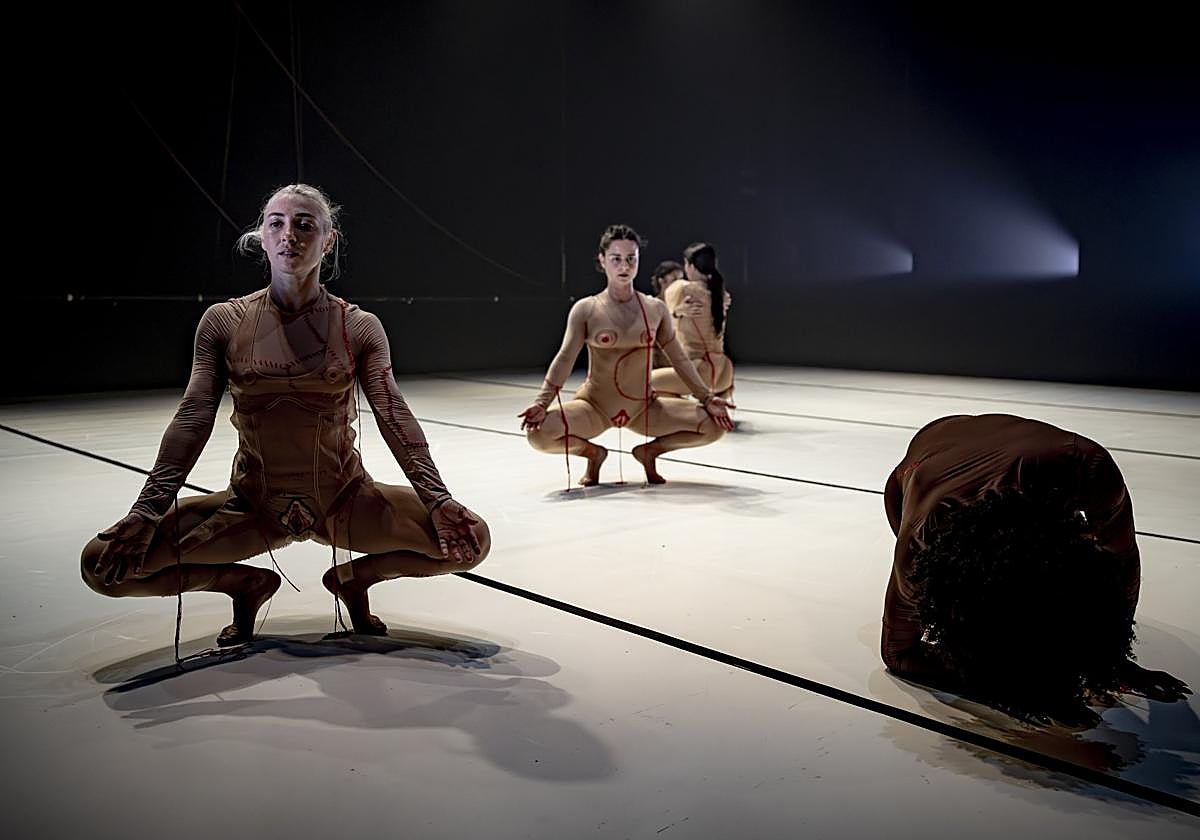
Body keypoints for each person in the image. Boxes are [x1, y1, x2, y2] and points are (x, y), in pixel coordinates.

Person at [81, 184, 490, 646]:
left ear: (327, 240)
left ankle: (354, 580)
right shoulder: (224, 321)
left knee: (470, 540)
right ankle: (242, 584)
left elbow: (394, 413)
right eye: (276, 223)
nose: (288, 235)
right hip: (252, 507)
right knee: (102, 565)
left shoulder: (358, 326)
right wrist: (147, 510)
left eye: (304, 224)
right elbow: (192, 417)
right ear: (261, 236)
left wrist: (437, 500)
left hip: (345, 502)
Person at [882, 413, 1189, 718]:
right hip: (923, 464)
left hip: (1015, 456)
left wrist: (1112, 658)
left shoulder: (1087, 466)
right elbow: (898, 653)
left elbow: (1121, 564)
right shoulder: (922, 539)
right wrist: (1004, 686)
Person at [518, 224, 734, 486]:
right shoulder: (586, 309)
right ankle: (593, 455)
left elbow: (679, 359)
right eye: (616, 259)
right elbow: (565, 358)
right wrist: (542, 403)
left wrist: (707, 398)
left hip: (644, 407)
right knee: (538, 435)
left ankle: (650, 452)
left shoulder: (654, 308)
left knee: (715, 425)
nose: (625, 266)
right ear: (602, 260)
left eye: (631, 258)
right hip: (595, 407)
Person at [650, 242, 733, 400]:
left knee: (643, 383)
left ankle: (688, 412)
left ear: (691, 267)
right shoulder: (719, 292)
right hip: (724, 372)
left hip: (700, 371)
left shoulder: (682, 289)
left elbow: (661, 307)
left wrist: (676, 311)